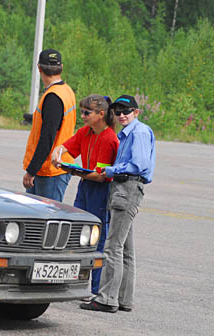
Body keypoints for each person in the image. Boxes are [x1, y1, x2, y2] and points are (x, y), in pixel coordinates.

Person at [80, 94, 156, 313]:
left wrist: (113, 170)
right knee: (125, 248)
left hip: (127, 188)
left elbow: (138, 164)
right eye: (118, 111)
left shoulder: (138, 132)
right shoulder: (127, 133)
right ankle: (123, 298)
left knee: (112, 246)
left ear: (136, 112)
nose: (121, 115)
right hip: (126, 188)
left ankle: (106, 298)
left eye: (126, 111)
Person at [51, 94, 119, 296]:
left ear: (100, 114)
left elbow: (100, 176)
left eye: (86, 113)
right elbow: (68, 145)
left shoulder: (109, 138)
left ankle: (97, 290)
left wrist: (73, 170)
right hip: (85, 185)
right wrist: (58, 151)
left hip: (100, 189)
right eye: (81, 112)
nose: (83, 116)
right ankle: (74, 283)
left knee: (97, 237)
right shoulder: (86, 132)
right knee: (77, 233)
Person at [22, 49, 77, 202]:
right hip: (58, 165)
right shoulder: (66, 91)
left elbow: (48, 137)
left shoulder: (53, 97)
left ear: (39, 68)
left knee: (45, 220)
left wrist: (32, 170)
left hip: (49, 170)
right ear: (61, 67)